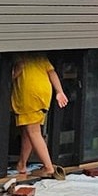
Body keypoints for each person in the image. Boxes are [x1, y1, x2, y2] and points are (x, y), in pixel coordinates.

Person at [10, 53, 68, 182]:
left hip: (29, 94)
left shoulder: (21, 53)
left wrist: (7, 81)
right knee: (29, 131)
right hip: (44, 93)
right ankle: (22, 165)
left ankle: (48, 167)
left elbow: (19, 68)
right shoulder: (38, 54)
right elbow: (51, 71)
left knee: (33, 132)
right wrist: (59, 91)